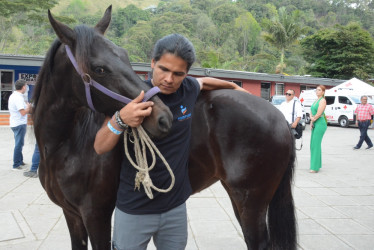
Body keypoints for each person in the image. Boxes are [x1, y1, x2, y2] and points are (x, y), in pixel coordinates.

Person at [94, 34, 248, 250]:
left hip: (174, 208)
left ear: (186, 74)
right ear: (152, 63)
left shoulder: (187, 89)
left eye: (178, 73)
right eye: (163, 69)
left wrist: (235, 88)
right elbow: (100, 146)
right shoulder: (131, 95)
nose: (169, 79)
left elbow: (203, 82)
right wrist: (121, 119)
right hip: (134, 209)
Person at [8, 79, 31, 171]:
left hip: (15, 122)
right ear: (23, 87)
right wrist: (29, 108)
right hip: (19, 123)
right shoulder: (18, 98)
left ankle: (20, 161)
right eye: (26, 86)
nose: (27, 88)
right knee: (19, 144)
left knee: (19, 143)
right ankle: (16, 164)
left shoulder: (14, 96)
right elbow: (23, 112)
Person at [310, 85, 327, 173]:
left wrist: (313, 119)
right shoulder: (316, 100)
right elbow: (311, 111)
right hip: (315, 122)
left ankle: (315, 167)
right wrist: (311, 121)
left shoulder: (322, 100)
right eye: (316, 90)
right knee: (312, 145)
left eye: (319, 90)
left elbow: (319, 113)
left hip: (320, 123)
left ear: (323, 92)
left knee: (316, 144)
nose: (317, 91)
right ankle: (316, 164)